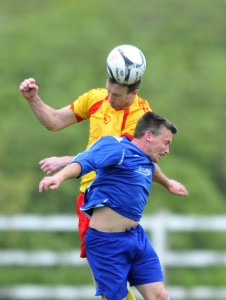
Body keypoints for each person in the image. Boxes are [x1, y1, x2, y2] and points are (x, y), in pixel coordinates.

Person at [19, 46, 188, 300]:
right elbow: (54, 121)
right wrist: (33, 99)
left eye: (117, 95)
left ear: (134, 92)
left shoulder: (141, 115)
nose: (110, 98)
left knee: (136, 291)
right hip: (90, 201)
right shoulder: (96, 98)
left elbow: (116, 157)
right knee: (112, 289)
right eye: (109, 89)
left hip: (115, 199)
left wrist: (66, 161)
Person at [39, 111, 179, 300]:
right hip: (107, 243)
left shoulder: (148, 160)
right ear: (149, 136)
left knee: (160, 296)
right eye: (166, 142)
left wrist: (168, 183)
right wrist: (59, 177)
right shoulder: (118, 147)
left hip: (137, 237)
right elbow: (86, 161)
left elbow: (154, 171)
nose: (167, 150)